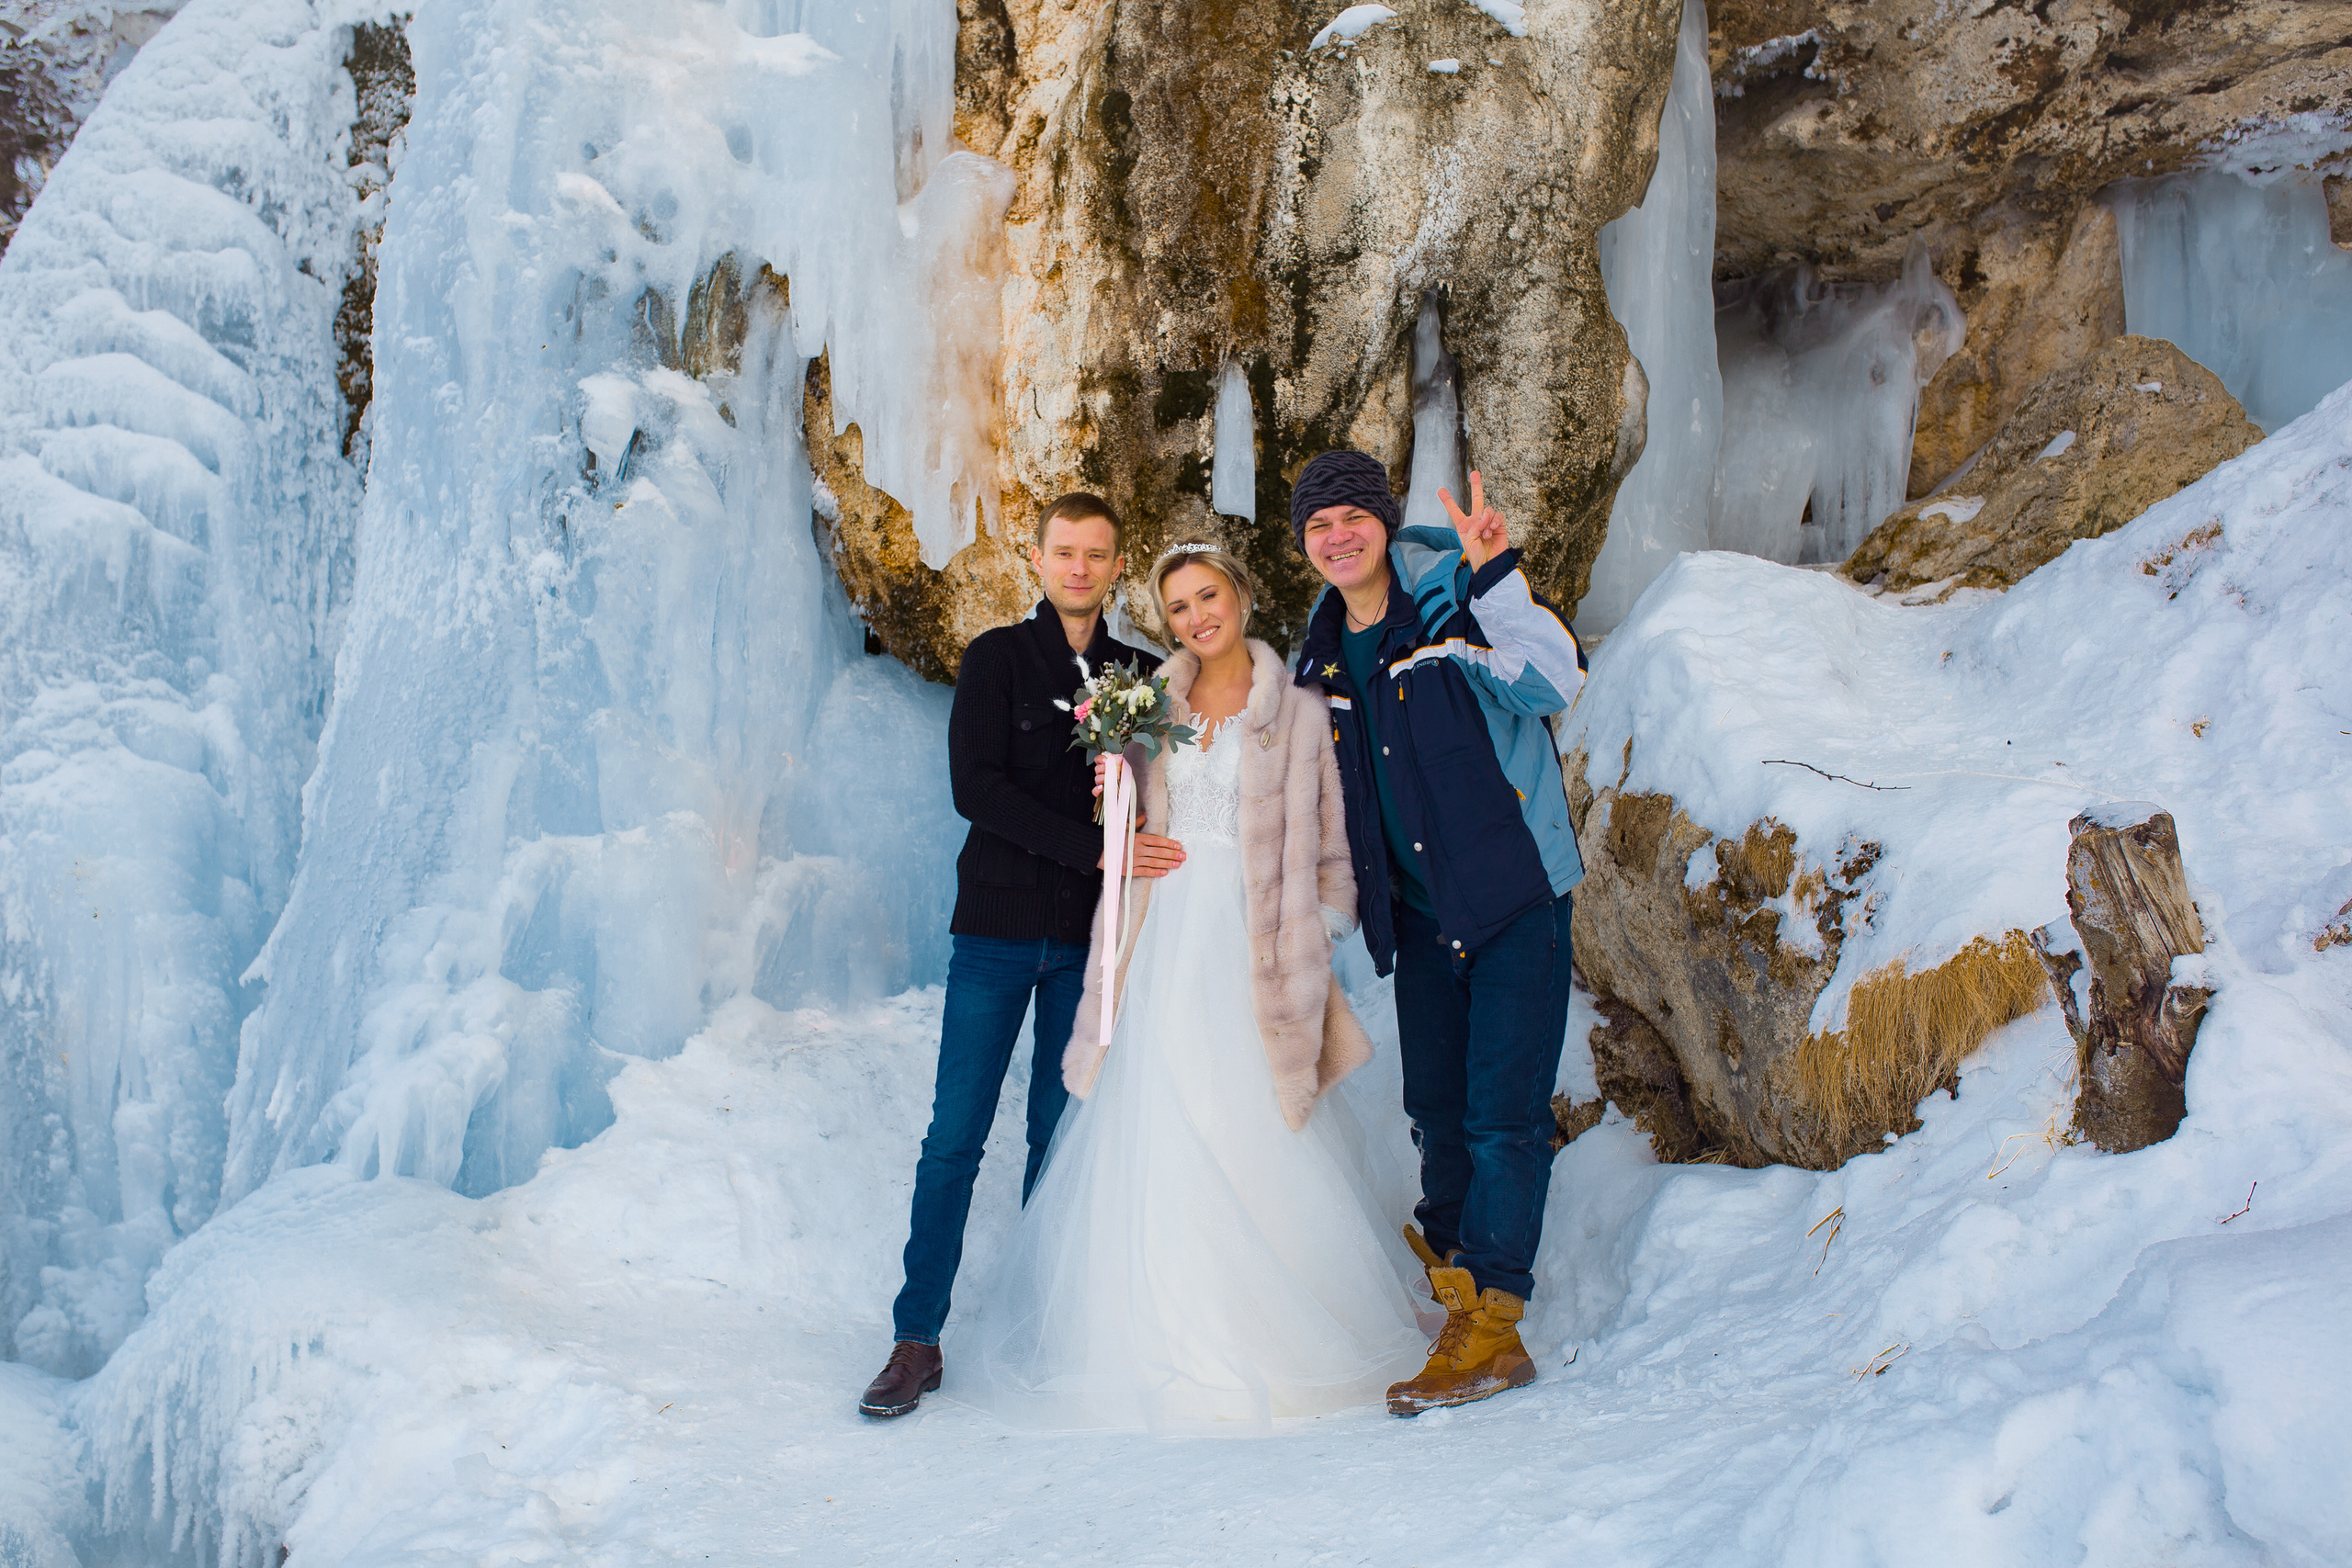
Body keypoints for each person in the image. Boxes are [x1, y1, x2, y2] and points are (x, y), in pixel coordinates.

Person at [965, 542, 1428, 1435]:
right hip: (1167, 927)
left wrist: (1319, 928)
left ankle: (1271, 1333)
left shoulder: (1296, 710)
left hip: (1252, 937)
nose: (1195, 618)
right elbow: (1124, 814)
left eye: (1207, 596)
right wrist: (1113, 792)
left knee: (1249, 1107)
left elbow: (1332, 840)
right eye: (1177, 607)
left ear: (1242, 595)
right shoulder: (1151, 705)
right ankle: (1153, 1336)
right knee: (1158, 1109)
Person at [858, 493, 1182, 1419]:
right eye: (1064, 552)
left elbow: (1175, 792)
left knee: (1061, 1136)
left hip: (1089, 942)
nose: (1079, 568)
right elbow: (976, 790)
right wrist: (1096, 850)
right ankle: (916, 1340)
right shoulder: (995, 659)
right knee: (953, 1138)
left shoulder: (1141, 672)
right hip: (994, 933)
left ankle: (1045, 1326)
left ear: (1118, 566)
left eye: (1096, 554)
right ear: (1036, 559)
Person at [1289, 449, 1587, 1416]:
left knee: (1502, 1115)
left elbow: (1552, 681)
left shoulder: (1453, 602)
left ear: (1381, 521)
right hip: (1420, 918)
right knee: (1437, 1109)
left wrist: (1498, 576)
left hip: (1512, 898)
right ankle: (1455, 1268)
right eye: (1318, 525)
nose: (1338, 536)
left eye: (1352, 516)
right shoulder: (1322, 655)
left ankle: (1492, 1324)